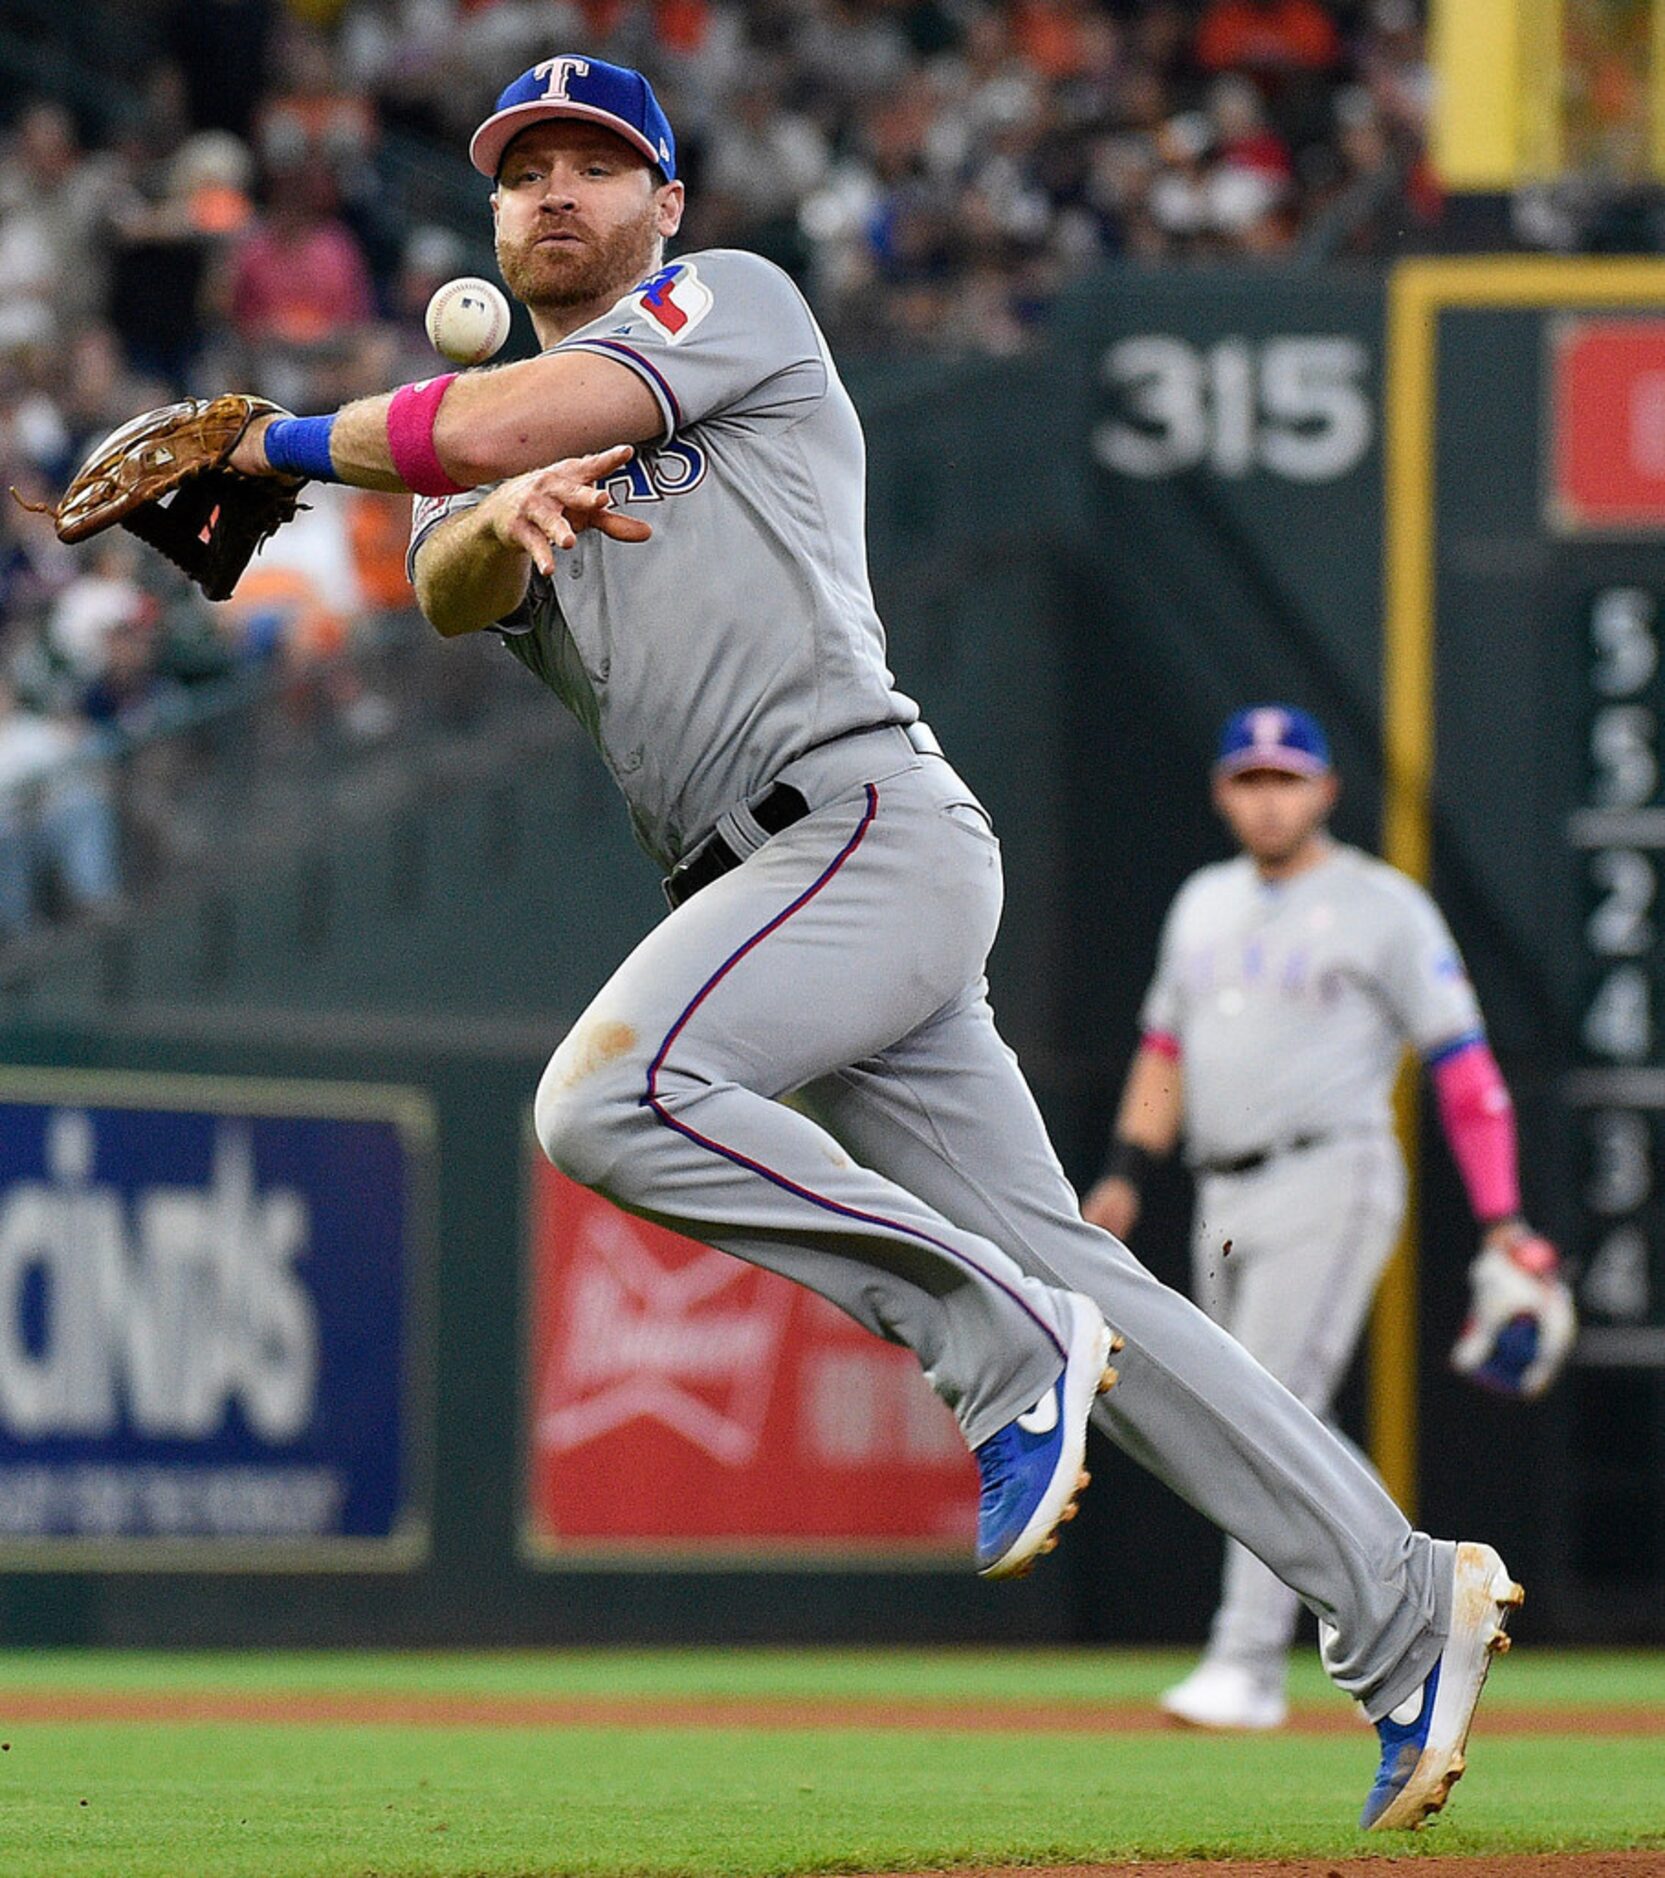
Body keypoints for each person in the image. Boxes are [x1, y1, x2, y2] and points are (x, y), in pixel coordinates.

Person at [211, 57, 1518, 1830]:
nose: (559, 194)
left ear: (666, 203)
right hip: (774, 887)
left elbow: (493, 432)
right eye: (527, 172)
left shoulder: (723, 304)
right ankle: (1397, 1595)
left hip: (855, 824)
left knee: (606, 1102)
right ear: (495, 215)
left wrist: (272, 442)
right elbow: (455, 569)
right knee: (1108, 1282)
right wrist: (492, 526)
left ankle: (998, 1349)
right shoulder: (491, 434)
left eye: (601, 162)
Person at [1082, 703, 1574, 1732]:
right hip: (1219, 1190)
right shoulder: (1203, 901)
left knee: (1259, 1403)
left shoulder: (1382, 905)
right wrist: (1127, 1171)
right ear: (1224, 792)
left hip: (1332, 1175)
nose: (1268, 796)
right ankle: (1424, 1596)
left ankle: (1247, 1664)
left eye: (1286, 778)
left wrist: (1501, 1221)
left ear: (1325, 791)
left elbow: (1464, 1067)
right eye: (1249, 778)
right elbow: (1161, 1053)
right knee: (1282, 1416)